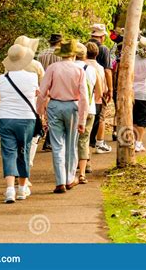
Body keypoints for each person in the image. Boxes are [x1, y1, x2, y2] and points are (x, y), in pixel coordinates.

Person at [37, 39, 88, 194]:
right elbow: (84, 96)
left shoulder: (52, 68)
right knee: (72, 143)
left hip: (54, 105)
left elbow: (42, 90)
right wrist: (82, 119)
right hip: (72, 106)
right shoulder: (79, 70)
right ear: (74, 54)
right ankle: (69, 178)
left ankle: (60, 181)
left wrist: (39, 111)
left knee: (57, 144)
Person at [0, 44, 38, 203]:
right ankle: (22, 188)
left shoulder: (2, 78)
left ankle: (9, 190)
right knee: (24, 151)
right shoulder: (32, 77)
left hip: (6, 117)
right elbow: (36, 93)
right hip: (27, 118)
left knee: (8, 153)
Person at [13, 36, 45, 188]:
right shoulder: (36, 65)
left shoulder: (8, 65)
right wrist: (42, 109)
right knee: (32, 140)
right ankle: (25, 171)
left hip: (12, 108)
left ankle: (15, 170)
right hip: (31, 107)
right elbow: (43, 89)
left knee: (14, 141)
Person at [74, 42, 97, 184]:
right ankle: (82, 172)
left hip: (73, 107)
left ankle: (69, 172)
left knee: (70, 140)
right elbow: (95, 87)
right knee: (84, 140)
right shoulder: (91, 69)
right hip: (89, 107)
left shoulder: (68, 68)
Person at [89, 23, 113, 154]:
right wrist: (110, 89)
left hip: (85, 86)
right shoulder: (103, 49)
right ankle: (99, 142)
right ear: (102, 36)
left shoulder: (84, 46)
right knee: (101, 115)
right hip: (100, 87)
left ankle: (88, 140)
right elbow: (108, 71)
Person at [37, 33, 63, 151]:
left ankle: (40, 137)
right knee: (54, 116)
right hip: (56, 87)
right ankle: (48, 141)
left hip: (42, 85)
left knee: (44, 114)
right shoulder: (60, 54)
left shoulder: (42, 54)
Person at [85, 42, 106, 172]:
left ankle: (82, 160)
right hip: (95, 103)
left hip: (80, 102)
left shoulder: (80, 66)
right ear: (97, 54)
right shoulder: (99, 68)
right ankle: (87, 160)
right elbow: (101, 88)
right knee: (90, 134)